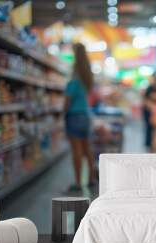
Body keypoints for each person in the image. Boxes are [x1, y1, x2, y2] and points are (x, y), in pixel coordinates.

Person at [64, 43, 96, 190]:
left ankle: (77, 182)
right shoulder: (86, 74)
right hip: (85, 115)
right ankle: (91, 179)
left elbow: (68, 99)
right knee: (87, 149)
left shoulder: (75, 76)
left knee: (76, 150)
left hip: (74, 115)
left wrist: (63, 113)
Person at [142, 75, 156, 150]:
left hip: (154, 111)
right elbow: (145, 100)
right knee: (148, 127)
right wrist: (151, 107)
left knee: (152, 127)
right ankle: (148, 143)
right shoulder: (150, 88)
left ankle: (150, 143)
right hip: (148, 111)